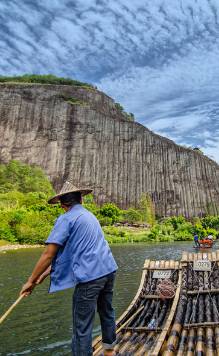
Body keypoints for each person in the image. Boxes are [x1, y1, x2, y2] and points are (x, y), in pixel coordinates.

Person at [20, 181, 118, 356]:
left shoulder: (66, 218)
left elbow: (49, 254)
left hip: (90, 278)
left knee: (82, 326)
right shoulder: (89, 216)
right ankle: (110, 350)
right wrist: (42, 275)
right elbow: (73, 252)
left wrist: (30, 281)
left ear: (62, 205)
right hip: (109, 270)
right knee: (107, 311)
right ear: (81, 199)